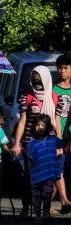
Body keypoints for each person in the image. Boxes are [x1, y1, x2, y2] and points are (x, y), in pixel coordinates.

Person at [12, 66, 59, 218]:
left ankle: (45, 210)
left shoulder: (55, 98)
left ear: (46, 79)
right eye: (34, 80)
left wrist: (59, 145)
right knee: (30, 176)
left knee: (48, 177)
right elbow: (22, 122)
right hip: (29, 143)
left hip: (49, 144)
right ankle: (26, 207)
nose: (36, 82)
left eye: (39, 79)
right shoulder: (27, 98)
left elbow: (56, 123)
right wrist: (16, 143)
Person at [25, 114, 64, 224]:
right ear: (33, 127)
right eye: (37, 125)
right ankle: (37, 215)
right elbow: (30, 158)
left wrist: (66, 135)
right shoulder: (32, 143)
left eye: (43, 124)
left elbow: (63, 144)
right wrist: (31, 159)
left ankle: (46, 213)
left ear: (48, 126)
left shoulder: (53, 139)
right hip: (37, 175)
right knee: (36, 196)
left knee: (47, 194)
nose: (40, 127)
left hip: (49, 174)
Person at [51, 54, 71, 212]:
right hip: (58, 135)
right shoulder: (52, 89)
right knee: (59, 168)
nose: (62, 71)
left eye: (66, 67)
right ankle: (64, 201)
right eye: (60, 68)